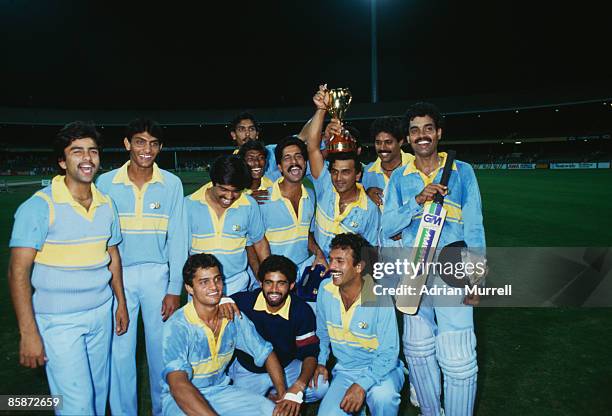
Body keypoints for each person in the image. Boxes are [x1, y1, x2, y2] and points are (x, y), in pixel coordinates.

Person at [8, 121, 129, 415]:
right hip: (58, 320)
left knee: (99, 397)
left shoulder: (107, 204)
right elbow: (17, 272)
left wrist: (121, 304)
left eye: (93, 151)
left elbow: (112, 255)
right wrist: (29, 333)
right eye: (77, 151)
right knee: (77, 405)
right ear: (62, 161)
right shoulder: (38, 207)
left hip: (101, 313)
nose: (87, 158)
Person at [382, 102, 485, 416]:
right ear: (408, 138)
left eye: (428, 128)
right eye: (415, 130)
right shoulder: (400, 177)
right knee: (417, 349)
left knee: (457, 355)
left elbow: (475, 225)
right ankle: (430, 411)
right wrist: (417, 200)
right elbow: (388, 226)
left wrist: (477, 277)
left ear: (439, 133)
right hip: (413, 270)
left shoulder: (462, 171)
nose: (421, 135)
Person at [96, 118, 188, 416]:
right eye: (139, 141)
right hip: (117, 278)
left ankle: (164, 411)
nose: (146, 149)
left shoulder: (171, 184)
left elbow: (178, 240)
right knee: (120, 353)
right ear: (127, 144)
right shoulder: (106, 182)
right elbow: (101, 238)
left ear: (160, 147)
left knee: (161, 352)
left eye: (153, 143)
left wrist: (174, 289)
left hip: (157, 276)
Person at [162, 253, 300, 416]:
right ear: (189, 288)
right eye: (204, 282)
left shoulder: (232, 316)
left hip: (220, 392)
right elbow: (178, 384)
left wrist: (282, 396)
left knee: (271, 411)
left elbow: (266, 353)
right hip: (181, 399)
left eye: (217, 279)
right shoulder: (178, 325)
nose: (214, 287)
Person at [314, 233, 404, 415]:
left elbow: (389, 352)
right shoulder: (325, 290)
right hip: (345, 371)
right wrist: (321, 362)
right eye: (331, 260)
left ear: (359, 267)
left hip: (382, 370)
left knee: (383, 397)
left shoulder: (379, 296)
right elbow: (322, 334)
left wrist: (361, 385)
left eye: (340, 261)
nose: (331, 267)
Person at [228, 255, 328, 406]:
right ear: (260, 283)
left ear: (292, 285)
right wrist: (223, 301)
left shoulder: (301, 310)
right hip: (249, 370)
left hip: (287, 366)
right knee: (239, 409)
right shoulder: (243, 302)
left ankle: (277, 394)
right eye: (269, 283)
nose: (274, 290)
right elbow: (216, 303)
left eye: (281, 283)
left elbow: (309, 353)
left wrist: (299, 385)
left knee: (320, 386)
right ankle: (267, 397)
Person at [303, 85, 380, 258]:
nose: (338, 178)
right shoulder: (325, 185)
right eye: (335, 171)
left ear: (358, 174)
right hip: (318, 270)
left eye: (345, 172)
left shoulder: (370, 210)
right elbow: (313, 148)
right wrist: (321, 109)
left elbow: (371, 254)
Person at [185, 154, 270, 295]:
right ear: (213, 182)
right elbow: (182, 250)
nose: (229, 197)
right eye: (224, 189)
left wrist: (268, 276)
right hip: (202, 286)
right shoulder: (188, 205)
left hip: (237, 284)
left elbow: (259, 243)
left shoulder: (249, 205)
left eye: (236, 191)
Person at [257, 135, 327, 279]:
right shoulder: (262, 200)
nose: (294, 162)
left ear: (306, 162)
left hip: (302, 273)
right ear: (280, 167)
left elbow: (305, 232)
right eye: (287, 158)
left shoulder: (310, 195)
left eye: (298, 156)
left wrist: (318, 253)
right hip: (275, 277)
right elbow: (254, 243)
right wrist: (265, 276)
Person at [230, 111, 281, 181]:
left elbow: (299, 140)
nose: (247, 134)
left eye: (251, 129)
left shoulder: (271, 151)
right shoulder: (231, 163)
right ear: (234, 135)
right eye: (242, 129)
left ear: (257, 134)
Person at [237, 139, 274, 204]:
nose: (257, 162)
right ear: (242, 162)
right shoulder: (234, 186)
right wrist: (247, 200)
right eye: (250, 159)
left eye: (261, 158)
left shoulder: (271, 185)